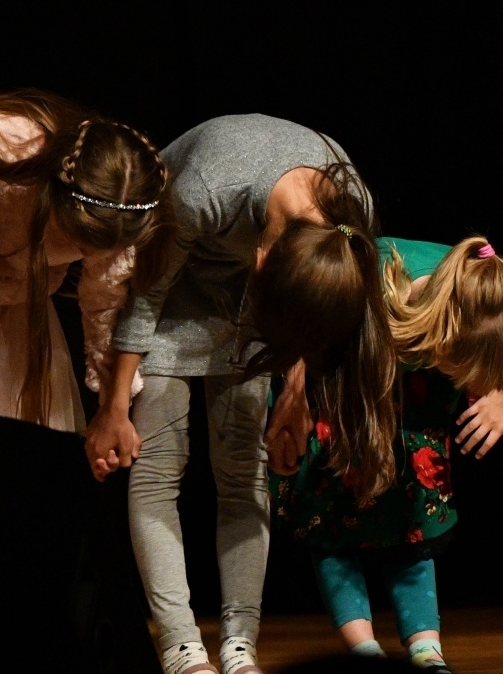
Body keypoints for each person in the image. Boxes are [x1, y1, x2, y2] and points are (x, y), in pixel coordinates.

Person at [85, 114, 390, 674]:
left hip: (253, 312)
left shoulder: (349, 212)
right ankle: (181, 647)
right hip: (170, 291)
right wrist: (113, 404)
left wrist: (294, 395)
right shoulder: (210, 184)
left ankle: (241, 645)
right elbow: (148, 293)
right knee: (157, 464)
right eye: (263, 251)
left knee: (243, 468)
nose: (255, 256)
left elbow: (309, 315)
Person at [273, 235, 503, 672]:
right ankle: (363, 651)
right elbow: (301, 319)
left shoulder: (490, 294)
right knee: (331, 507)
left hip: (412, 387)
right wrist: (294, 394)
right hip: (335, 375)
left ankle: (426, 648)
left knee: (414, 511)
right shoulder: (372, 284)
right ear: (448, 335)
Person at [0, 90, 173, 431]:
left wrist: (114, 408)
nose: (87, 253)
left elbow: (104, 302)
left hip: (21, 322)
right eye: (76, 239)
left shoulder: (116, 210)